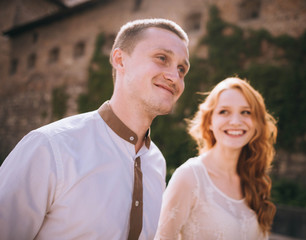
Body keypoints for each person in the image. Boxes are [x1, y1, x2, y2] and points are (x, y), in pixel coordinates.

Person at [0, 18, 190, 240]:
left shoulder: (157, 163)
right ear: (120, 60)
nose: (174, 77)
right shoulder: (49, 148)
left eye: (181, 69)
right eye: (162, 58)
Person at [155, 77, 277, 240]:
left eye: (246, 112)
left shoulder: (254, 179)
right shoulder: (190, 177)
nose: (235, 121)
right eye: (224, 112)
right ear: (210, 121)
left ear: (256, 123)